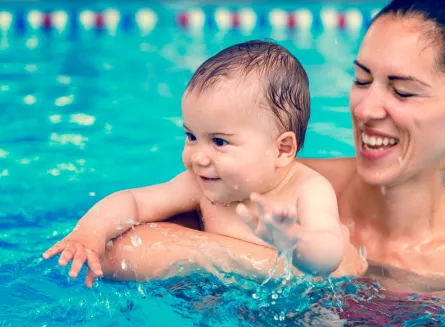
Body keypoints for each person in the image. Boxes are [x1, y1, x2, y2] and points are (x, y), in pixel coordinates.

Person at [83, 0, 445, 287]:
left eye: (403, 91)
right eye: (361, 80)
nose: (367, 108)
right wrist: (271, 263)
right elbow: (117, 254)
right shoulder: (267, 180)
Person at [43, 40, 355, 288]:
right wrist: (89, 233)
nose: (197, 157)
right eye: (191, 136)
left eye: (219, 142)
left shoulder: (308, 190)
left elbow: (329, 254)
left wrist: (295, 242)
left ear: (282, 149)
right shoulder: (200, 184)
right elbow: (134, 201)